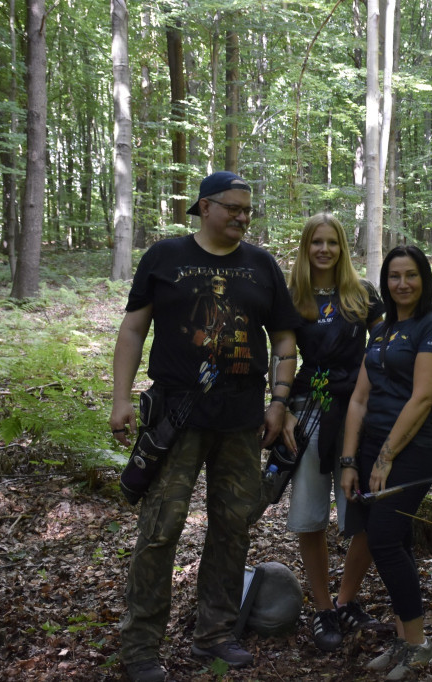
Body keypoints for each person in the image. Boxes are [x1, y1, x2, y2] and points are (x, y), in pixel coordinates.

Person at [109, 171, 303, 682]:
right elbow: (133, 327)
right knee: (161, 528)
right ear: (204, 207)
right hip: (175, 418)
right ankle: (141, 648)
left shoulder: (261, 265)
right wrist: (121, 398)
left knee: (231, 527)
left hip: (241, 419)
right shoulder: (164, 257)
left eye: (248, 210)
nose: (242, 217)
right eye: (234, 208)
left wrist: (279, 403)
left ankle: (215, 633)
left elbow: (285, 341)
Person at [340, 245, 432, 680]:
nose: (402, 284)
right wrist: (351, 459)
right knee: (394, 539)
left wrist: (387, 455)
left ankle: (421, 645)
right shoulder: (383, 330)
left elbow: (423, 397)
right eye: (393, 276)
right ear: (385, 282)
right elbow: (359, 398)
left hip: (414, 449)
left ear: (423, 279)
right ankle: (406, 640)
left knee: (384, 539)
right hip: (371, 445)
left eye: (411, 275)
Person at [282, 213, 385, 651]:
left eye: (333, 242)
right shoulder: (292, 298)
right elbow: (283, 356)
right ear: (306, 248)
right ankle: (323, 609)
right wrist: (281, 406)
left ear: (343, 248)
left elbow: (385, 351)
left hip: (357, 409)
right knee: (309, 515)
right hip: (308, 411)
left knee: (363, 511)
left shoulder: (363, 295)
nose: (324, 249)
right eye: (316, 242)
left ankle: (346, 600)